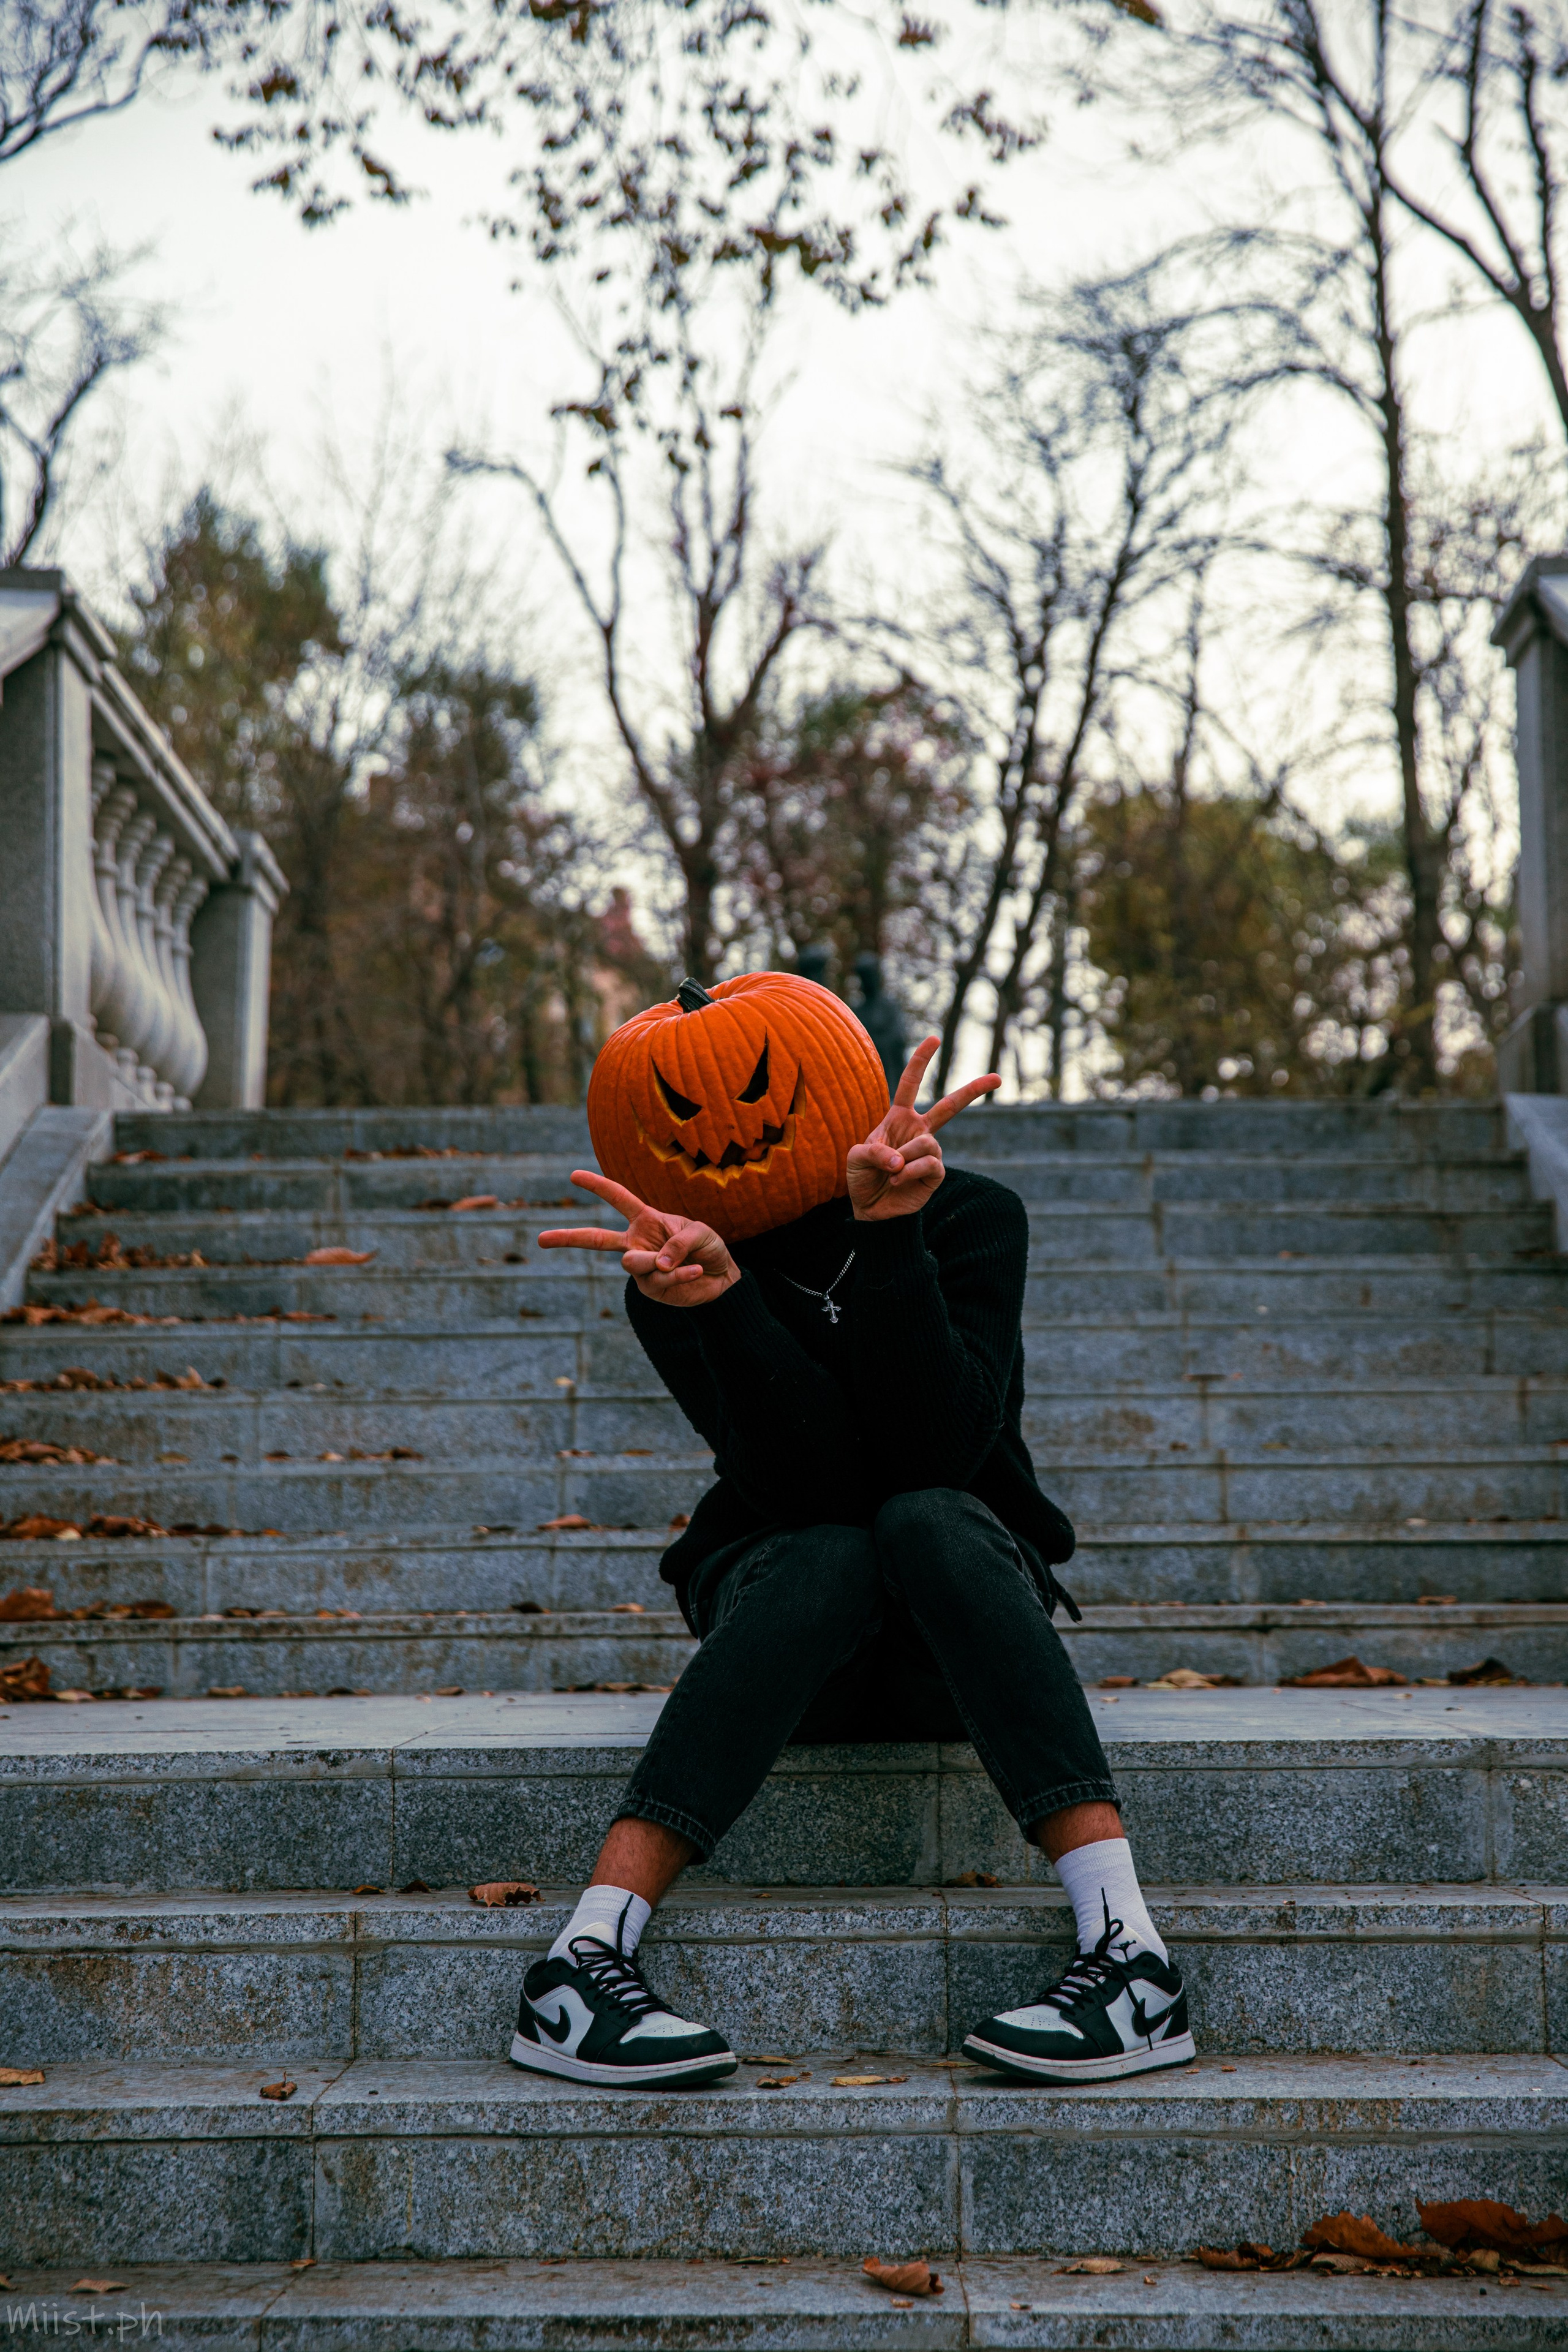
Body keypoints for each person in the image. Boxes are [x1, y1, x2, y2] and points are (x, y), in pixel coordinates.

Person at [514, 1032, 1194, 2090]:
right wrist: (726, 1306)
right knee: (834, 1551)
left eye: (752, 1088)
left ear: (834, 1079)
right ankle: (582, 1961)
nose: (730, 1130)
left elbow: (940, 1453)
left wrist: (889, 1242)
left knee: (926, 1519)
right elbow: (809, 1489)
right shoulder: (681, 1263)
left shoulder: (971, 1215)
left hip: (950, 1627)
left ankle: (1132, 1958)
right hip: (794, 1620)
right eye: (687, 1112)